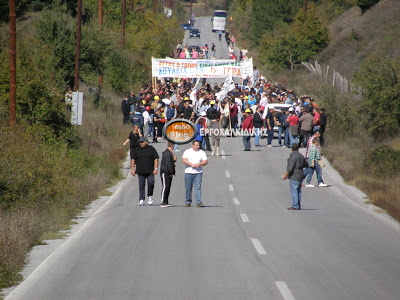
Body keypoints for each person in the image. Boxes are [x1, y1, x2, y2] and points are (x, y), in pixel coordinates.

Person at [131, 136, 159, 206]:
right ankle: (141, 199)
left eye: (142, 142)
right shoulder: (137, 149)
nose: (141, 143)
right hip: (140, 171)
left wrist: (156, 168)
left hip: (150, 171)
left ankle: (150, 196)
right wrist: (132, 169)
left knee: (151, 183)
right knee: (141, 185)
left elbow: (156, 159)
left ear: (146, 142)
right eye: (140, 142)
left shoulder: (151, 149)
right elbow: (133, 159)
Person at [182, 140, 208, 207]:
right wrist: (191, 164)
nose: (198, 146)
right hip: (188, 172)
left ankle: (198, 202)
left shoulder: (201, 152)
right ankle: (188, 201)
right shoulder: (187, 151)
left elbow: (205, 161)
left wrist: (199, 164)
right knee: (188, 188)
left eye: (198, 145)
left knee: (198, 188)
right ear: (193, 145)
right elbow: (184, 160)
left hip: (198, 172)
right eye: (196, 145)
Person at [282, 144, 306, 210]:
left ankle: (295, 205)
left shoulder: (293, 156)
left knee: (294, 190)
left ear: (292, 149)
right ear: (298, 149)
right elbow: (305, 164)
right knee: (298, 191)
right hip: (300, 175)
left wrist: (286, 174)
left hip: (294, 175)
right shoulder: (301, 156)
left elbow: (290, 167)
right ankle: (298, 205)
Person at [160, 142, 176, 207]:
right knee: (165, 187)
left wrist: (174, 160)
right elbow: (168, 164)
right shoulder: (167, 153)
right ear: (173, 146)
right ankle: (163, 201)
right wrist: (171, 172)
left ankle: (166, 201)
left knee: (168, 187)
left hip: (168, 172)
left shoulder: (170, 153)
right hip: (165, 172)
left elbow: (170, 162)